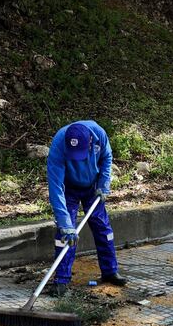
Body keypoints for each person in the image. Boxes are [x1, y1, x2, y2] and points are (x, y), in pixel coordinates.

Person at [46, 120, 127, 296]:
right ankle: (61, 279)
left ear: (91, 142)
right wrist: (65, 222)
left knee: (103, 228)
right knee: (65, 235)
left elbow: (107, 157)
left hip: (93, 187)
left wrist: (104, 184)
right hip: (69, 188)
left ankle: (110, 271)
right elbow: (55, 186)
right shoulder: (59, 144)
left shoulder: (99, 134)